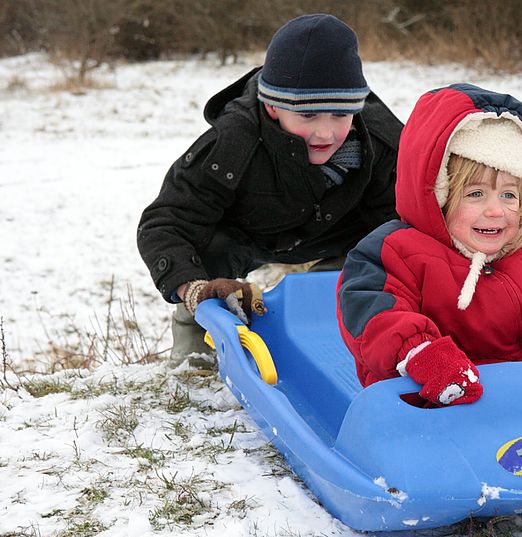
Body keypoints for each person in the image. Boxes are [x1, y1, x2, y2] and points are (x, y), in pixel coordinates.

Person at [137, 14, 403, 367]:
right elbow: (165, 223)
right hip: (248, 233)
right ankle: (197, 331)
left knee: (389, 245)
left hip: (338, 233)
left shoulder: (384, 141)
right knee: (202, 250)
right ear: (272, 105)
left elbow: (404, 220)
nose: (326, 133)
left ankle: (332, 312)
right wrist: (194, 289)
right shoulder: (231, 142)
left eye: (340, 115)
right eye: (308, 116)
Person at [336, 83, 522, 406]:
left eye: (509, 195)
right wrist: (420, 353)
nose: (496, 210)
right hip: (427, 400)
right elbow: (376, 316)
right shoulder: (393, 254)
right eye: (475, 194)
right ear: (438, 196)